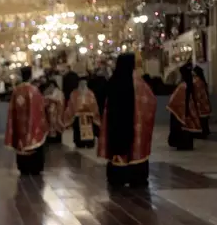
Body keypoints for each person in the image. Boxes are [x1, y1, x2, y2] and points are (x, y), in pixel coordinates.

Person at [98, 53, 156, 188]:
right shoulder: (138, 83)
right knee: (134, 146)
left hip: (116, 124)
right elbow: (150, 101)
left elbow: (103, 101)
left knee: (118, 150)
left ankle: (118, 177)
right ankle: (136, 177)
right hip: (134, 123)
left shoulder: (114, 80)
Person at [5, 66, 48, 175]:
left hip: (20, 125)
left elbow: (12, 110)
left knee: (21, 145)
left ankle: (23, 167)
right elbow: (41, 108)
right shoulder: (34, 91)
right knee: (34, 144)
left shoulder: (16, 91)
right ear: (30, 76)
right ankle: (35, 167)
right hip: (33, 125)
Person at [167, 62, 201, 150]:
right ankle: (187, 144)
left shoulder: (183, 86)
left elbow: (176, 99)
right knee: (186, 127)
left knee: (181, 127)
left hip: (180, 110)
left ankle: (182, 144)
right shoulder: (189, 84)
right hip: (187, 110)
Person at [63, 77, 101, 148]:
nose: (83, 85)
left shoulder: (90, 93)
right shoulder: (74, 93)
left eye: (84, 83)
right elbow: (71, 104)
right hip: (77, 116)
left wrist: (92, 111)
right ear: (79, 84)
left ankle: (89, 143)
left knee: (89, 130)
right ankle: (80, 143)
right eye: (81, 83)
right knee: (78, 130)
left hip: (88, 116)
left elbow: (94, 103)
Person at [193, 65, 211, 138]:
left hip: (200, 103)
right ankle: (206, 131)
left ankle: (202, 133)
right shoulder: (202, 81)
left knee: (201, 120)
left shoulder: (196, 81)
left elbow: (196, 93)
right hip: (205, 103)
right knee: (204, 120)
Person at [44, 80, 65, 144]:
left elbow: (60, 102)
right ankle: (50, 139)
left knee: (56, 124)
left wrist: (51, 98)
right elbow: (44, 101)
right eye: (50, 86)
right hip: (49, 111)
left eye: (52, 86)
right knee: (50, 125)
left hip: (57, 111)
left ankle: (57, 139)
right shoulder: (46, 92)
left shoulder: (59, 92)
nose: (51, 87)